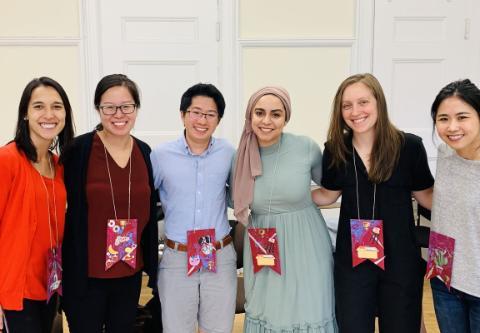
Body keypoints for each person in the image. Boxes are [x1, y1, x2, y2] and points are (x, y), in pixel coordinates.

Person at [313, 73, 434, 333]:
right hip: (353, 261)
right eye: (347, 105)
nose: (355, 111)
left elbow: (427, 198)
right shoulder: (336, 148)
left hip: (401, 261)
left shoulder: (409, 147)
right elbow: (327, 195)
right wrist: (279, 196)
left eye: (363, 102)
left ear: (379, 102)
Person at [233, 86, 337, 332]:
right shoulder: (239, 156)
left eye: (276, 114)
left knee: (309, 306)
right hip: (262, 240)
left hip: (306, 242)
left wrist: (301, 197)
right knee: (267, 308)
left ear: (286, 118)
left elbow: (330, 188)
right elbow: (233, 198)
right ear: (250, 115)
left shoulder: (306, 148)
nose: (266, 121)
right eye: (259, 113)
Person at [61, 74, 158, 333]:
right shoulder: (78, 150)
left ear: (136, 109)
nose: (119, 114)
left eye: (127, 106)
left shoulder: (146, 152)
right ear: (98, 109)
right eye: (109, 107)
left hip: (129, 274)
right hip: (85, 276)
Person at [151, 83, 236, 333]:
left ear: (218, 119)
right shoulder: (160, 155)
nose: (202, 120)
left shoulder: (229, 153)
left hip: (219, 255)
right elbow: (144, 200)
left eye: (210, 114)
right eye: (196, 112)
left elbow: (238, 195)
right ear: (183, 114)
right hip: (177, 256)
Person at [0, 77, 75, 332]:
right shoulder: (7, 160)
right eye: (38, 106)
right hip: (15, 292)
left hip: (50, 287)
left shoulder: (58, 165)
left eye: (56, 106)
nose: (48, 114)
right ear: (25, 114)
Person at [429, 79, 480, 332]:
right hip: (443, 278)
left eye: (462, 117)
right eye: (443, 119)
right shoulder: (445, 155)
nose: (452, 127)